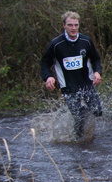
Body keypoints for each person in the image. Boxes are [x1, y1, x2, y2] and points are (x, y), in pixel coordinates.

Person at [40, 11, 103, 139]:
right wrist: (48, 77)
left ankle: (89, 131)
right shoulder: (56, 44)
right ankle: (79, 141)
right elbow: (44, 63)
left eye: (76, 25)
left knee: (98, 111)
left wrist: (97, 72)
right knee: (79, 117)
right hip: (68, 87)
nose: (73, 28)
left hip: (86, 83)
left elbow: (96, 58)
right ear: (64, 26)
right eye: (70, 25)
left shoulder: (86, 41)